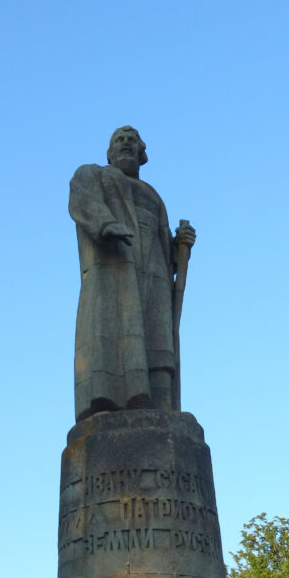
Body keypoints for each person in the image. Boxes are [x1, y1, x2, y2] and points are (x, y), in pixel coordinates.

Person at [68, 127, 196, 422]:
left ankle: (162, 404)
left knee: (158, 333)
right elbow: (82, 199)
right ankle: (114, 401)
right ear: (110, 153)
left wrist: (180, 247)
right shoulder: (95, 174)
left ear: (142, 153)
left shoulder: (154, 195)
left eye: (132, 140)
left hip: (154, 274)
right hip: (118, 265)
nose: (126, 144)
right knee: (118, 332)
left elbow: (165, 250)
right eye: (119, 140)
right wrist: (104, 224)